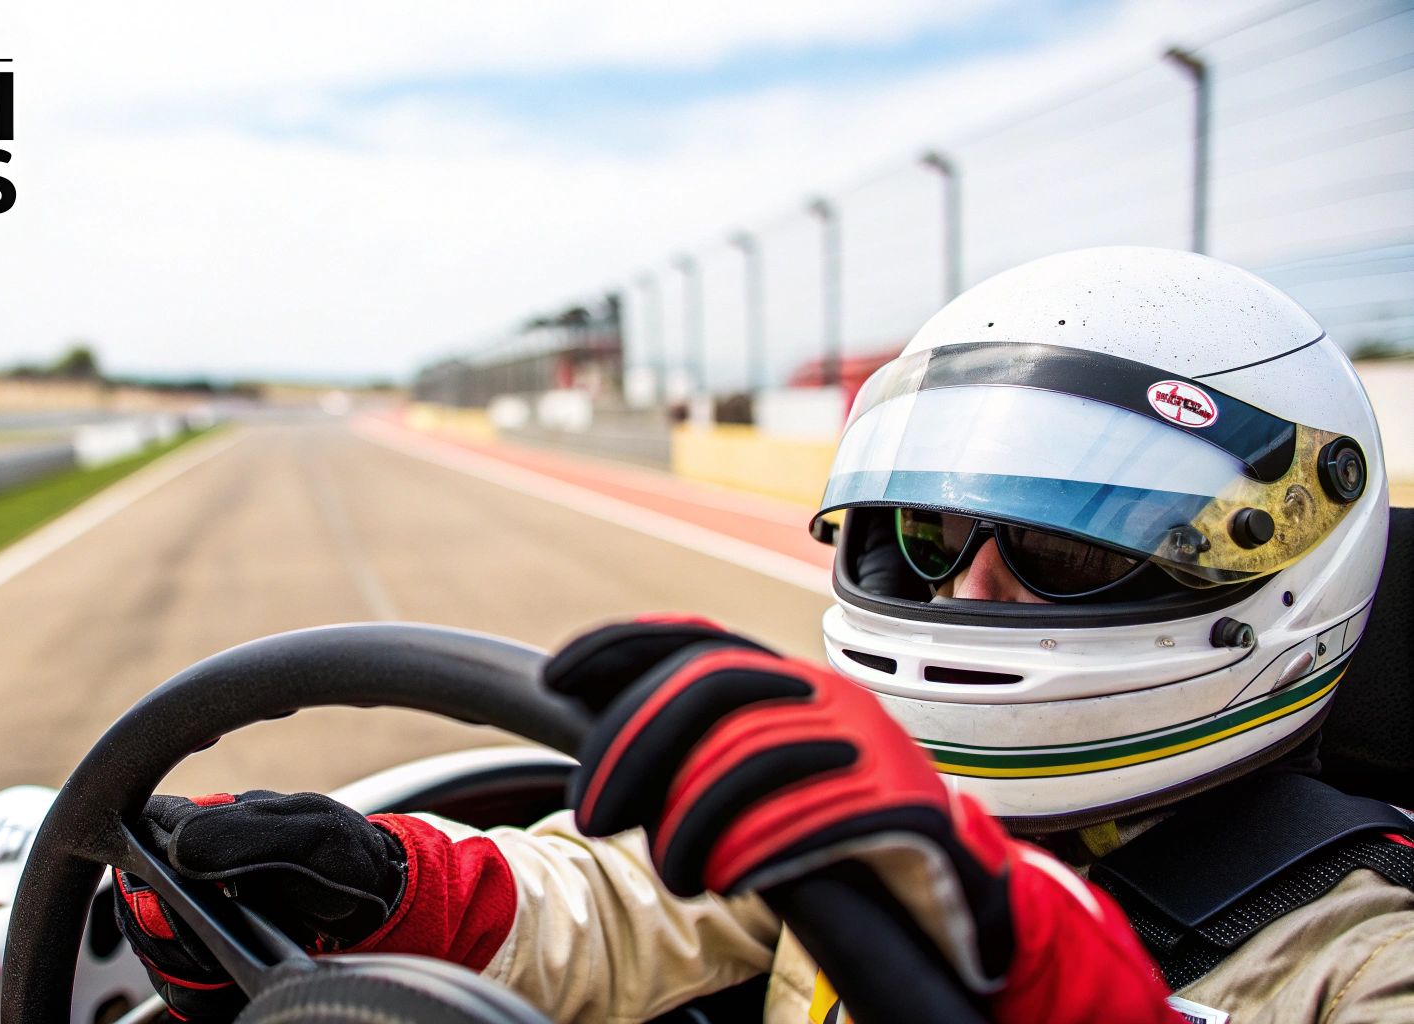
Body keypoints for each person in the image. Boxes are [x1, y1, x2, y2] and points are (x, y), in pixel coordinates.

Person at [112, 247, 1413, 1023]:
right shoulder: (853, 816)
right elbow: (630, 903)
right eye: (919, 538)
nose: (966, 595)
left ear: (1289, 566)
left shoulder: (1365, 952)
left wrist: (1031, 965)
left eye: (1066, 549)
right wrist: (386, 895)